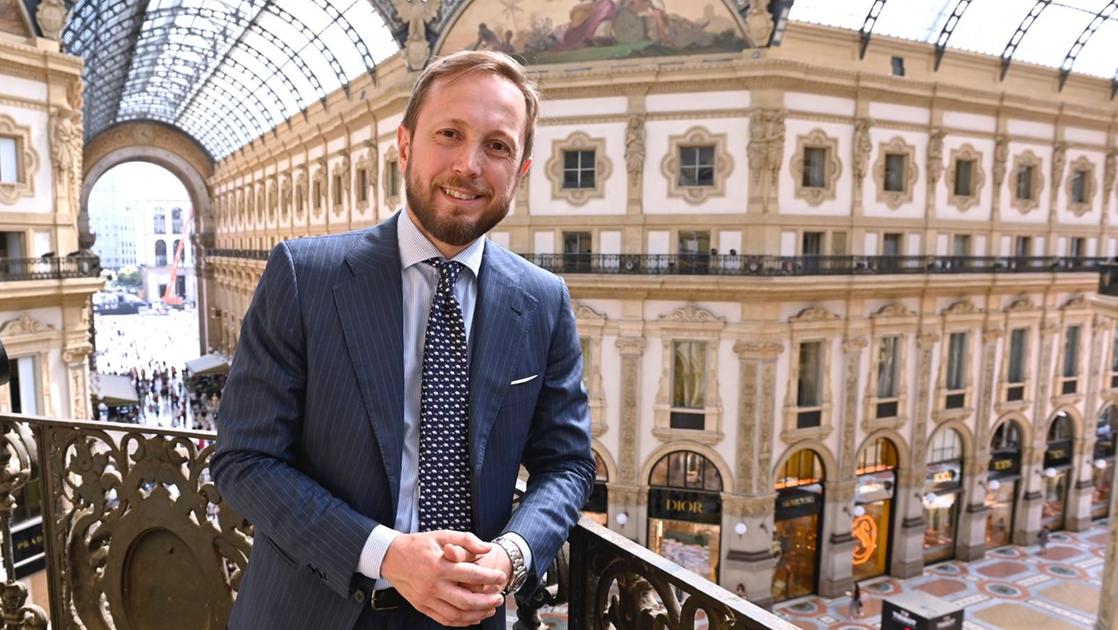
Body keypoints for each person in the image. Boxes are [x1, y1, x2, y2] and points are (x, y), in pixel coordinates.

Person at [211, 49, 596, 630]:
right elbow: (244, 459)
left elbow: (567, 464)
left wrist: (513, 555)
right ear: (406, 144)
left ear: (520, 171)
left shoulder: (542, 300)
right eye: (450, 133)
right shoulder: (304, 275)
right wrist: (387, 553)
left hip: (467, 617)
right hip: (312, 609)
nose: (469, 164)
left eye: (497, 146)